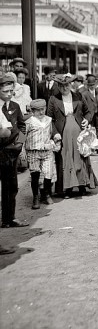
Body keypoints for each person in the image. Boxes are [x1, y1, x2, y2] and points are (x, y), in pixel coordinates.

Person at [46, 74, 98, 197]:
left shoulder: (78, 96)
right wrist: (55, 133)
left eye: (67, 85)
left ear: (71, 85)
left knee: (81, 157)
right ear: (58, 86)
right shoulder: (53, 99)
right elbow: (49, 119)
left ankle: (82, 185)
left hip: (78, 133)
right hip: (63, 134)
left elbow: (88, 111)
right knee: (66, 158)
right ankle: (66, 188)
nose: (65, 88)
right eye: (62, 86)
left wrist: (86, 120)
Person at [0, 73, 28, 228]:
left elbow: (22, 126)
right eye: (5, 91)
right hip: (0, 151)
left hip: (12, 152)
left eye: (11, 91)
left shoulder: (15, 106)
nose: (9, 94)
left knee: (11, 187)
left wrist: (20, 144)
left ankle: (9, 219)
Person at [24, 99, 60, 209]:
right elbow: (22, 137)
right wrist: (22, 151)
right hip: (33, 151)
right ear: (33, 111)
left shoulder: (49, 120)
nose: (41, 113)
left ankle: (46, 194)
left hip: (47, 150)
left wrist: (56, 136)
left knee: (48, 173)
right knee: (35, 175)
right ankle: (36, 197)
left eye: (42, 110)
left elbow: (53, 131)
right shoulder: (29, 122)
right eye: (38, 110)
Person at [82, 74, 98, 153]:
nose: (92, 86)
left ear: (95, 84)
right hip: (89, 116)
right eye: (90, 85)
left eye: (93, 85)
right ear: (88, 85)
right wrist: (85, 117)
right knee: (90, 132)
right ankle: (91, 149)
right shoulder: (85, 94)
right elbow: (83, 107)